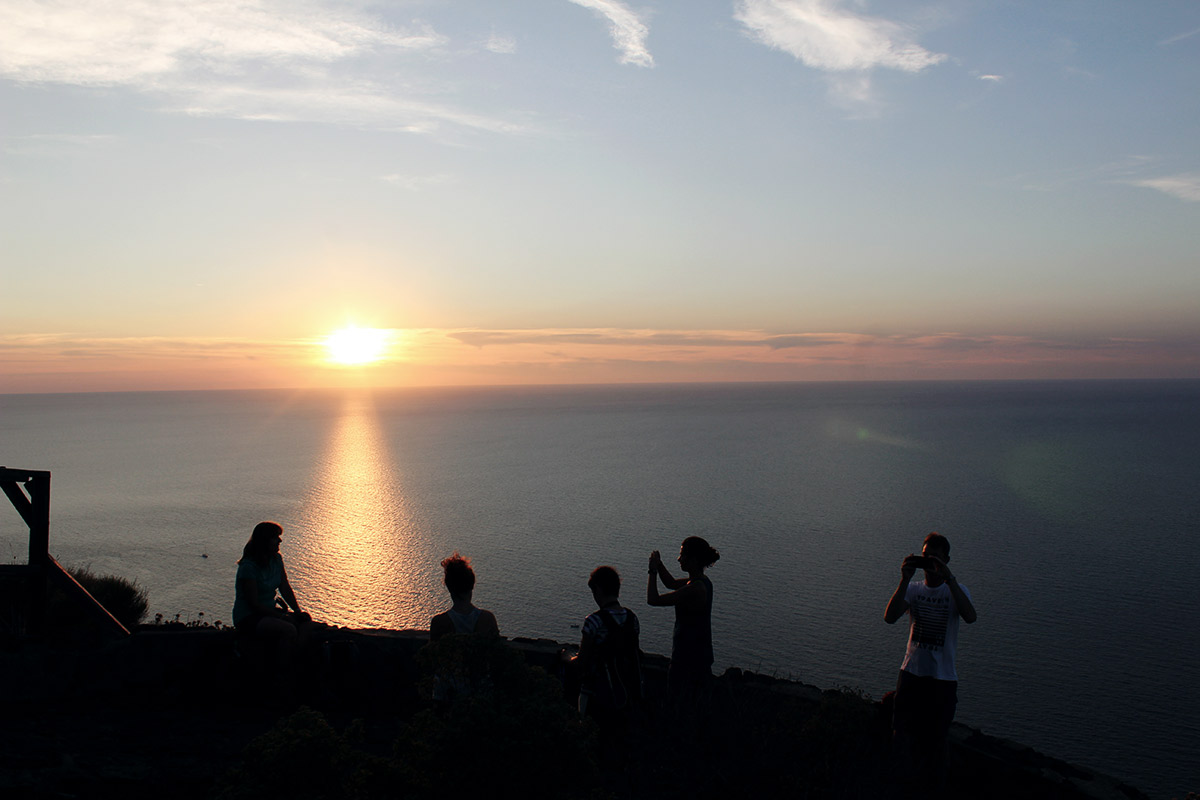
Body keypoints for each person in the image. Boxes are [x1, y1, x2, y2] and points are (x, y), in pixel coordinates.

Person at [884, 532, 978, 795]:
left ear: (947, 560)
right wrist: (904, 580)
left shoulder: (956, 592)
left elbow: (970, 616)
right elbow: (890, 618)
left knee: (936, 743)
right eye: (926, 557)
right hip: (911, 675)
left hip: (942, 680)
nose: (930, 564)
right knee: (901, 736)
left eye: (936, 558)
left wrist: (950, 579)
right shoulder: (914, 590)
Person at [647, 536, 719, 709]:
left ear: (693, 560)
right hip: (697, 658)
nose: (679, 559)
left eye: (682, 555)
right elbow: (671, 583)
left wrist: (652, 571)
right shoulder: (701, 583)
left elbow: (653, 599)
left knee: (679, 708)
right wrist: (659, 563)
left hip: (688, 660)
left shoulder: (695, 589)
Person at [570, 566, 642, 731]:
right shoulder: (632, 619)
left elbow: (582, 662)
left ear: (598, 589)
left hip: (596, 693)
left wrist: (567, 657)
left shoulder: (594, 621)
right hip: (625, 692)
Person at [231, 521, 310, 667]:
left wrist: (297, 610)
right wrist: (282, 616)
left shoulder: (276, 559)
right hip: (249, 617)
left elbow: (284, 586)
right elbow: (253, 604)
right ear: (264, 540)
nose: (280, 541)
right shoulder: (249, 567)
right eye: (275, 537)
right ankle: (282, 670)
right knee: (289, 629)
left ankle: (294, 662)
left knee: (305, 622)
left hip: (269, 613)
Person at [429, 552, 499, 641]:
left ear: (449, 587)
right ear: (472, 584)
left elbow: (432, 652)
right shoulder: (487, 619)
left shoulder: (439, 622)